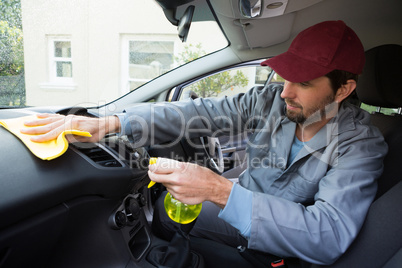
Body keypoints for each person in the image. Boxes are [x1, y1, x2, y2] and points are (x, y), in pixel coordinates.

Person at [21, 20, 387, 265]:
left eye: (304, 83)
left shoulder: (361, 146)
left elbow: (327, 234)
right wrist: (113, 122)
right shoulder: (272, 101)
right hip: (239, 207)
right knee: (165, 210)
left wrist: (220, 191)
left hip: (275, 247)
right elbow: (199, 113)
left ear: (343, 89)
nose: (285, 91)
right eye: (286, 76)